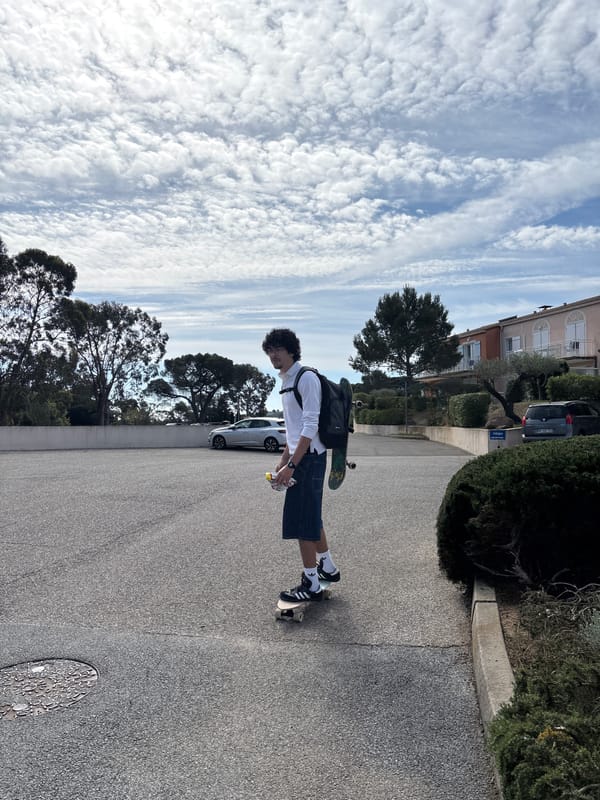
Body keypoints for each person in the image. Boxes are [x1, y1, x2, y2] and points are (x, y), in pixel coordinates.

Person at [262, 328, 340, 602]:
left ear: (292, 350)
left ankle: (311, 585)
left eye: (278, 349)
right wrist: (282, 464)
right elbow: (293, 435)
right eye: (269, 350)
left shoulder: (306, 378)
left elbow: (310, 427)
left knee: (301, 521)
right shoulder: (286, 382)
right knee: (311, 516)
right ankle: (327, 568)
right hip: (301, 458)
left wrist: (292, 466)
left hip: (309, 459)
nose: (273, 355)